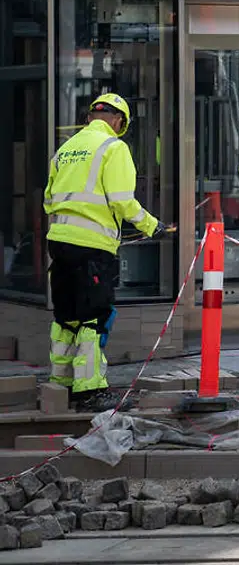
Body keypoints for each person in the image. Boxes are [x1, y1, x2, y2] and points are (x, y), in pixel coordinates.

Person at [44, 94, 161, 408]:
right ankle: (90, 390)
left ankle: (60, 384)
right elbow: (122, 201)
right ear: (118, 121)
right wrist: (153, 226)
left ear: (90, 117)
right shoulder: (114, 148)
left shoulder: (65, 149)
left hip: (58, 242)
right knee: (93, 318)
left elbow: (48, 199)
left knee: (66, 316)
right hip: (92, 248)